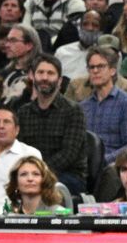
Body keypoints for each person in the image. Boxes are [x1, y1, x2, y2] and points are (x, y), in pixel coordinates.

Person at [16, 55, 89, 196]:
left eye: (50, 73)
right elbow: (20, 149)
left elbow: (69, 154)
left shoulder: (73, 111)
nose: (44, 77)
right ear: (33, 77)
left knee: (36, 186)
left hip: (68, 176)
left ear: (60, 80)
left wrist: (38, 173)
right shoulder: (23, 112)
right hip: (31, 174)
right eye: (40, 72)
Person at [80, 46, 127, 165]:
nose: (95, 71)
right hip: (85, 166)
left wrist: (103, 160)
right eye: (91, 67)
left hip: (116, 166)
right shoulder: (83, 106)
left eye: (101, 66)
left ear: (113, 70)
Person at [5, 156, 69, 214]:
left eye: (36, 174)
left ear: (45, 180)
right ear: (16, 183)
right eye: (24, 174)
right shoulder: (10, 213)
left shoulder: (61, 212)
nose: (30, 179)